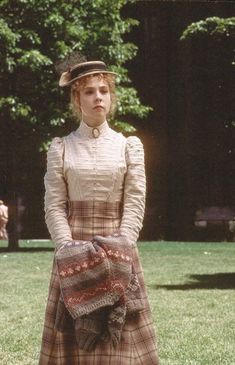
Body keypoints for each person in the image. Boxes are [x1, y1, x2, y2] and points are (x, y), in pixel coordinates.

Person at [39, 59, 159, 364]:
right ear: (76, 99)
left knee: (118, 341)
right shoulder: (61, 147)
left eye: (104, 90)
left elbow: (134, 201)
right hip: (73, 250)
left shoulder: (128, 146)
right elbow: (54, 204)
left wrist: (123, 245)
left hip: (118, 250)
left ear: (112, 97)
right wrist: (67, 248)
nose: (98, 97)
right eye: (89, 91)